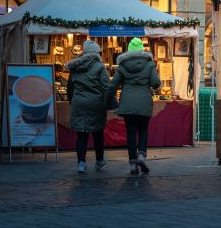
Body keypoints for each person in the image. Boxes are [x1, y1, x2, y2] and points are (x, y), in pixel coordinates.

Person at [107, 37, 160, 175]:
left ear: (129, 50)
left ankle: (132, 164)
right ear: (142, 49)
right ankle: (142, 155)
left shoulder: (123, 65)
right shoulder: (149, 64)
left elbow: (113, 85)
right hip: (144, 102)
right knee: (143, 130)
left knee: (131, 133)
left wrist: (109, 99)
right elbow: (155, 82)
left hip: (127, 103)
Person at [65, 40, 109, 173]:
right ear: (96, 52)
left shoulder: (75, 66)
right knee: (98, 133)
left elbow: (70, 86)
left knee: (81, 135)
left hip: (79, 102)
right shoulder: (100, 67)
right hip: (96, 103)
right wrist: (110, 103)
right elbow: (105, 86)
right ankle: (99, 161)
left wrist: (73, 100)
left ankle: (81, 163)